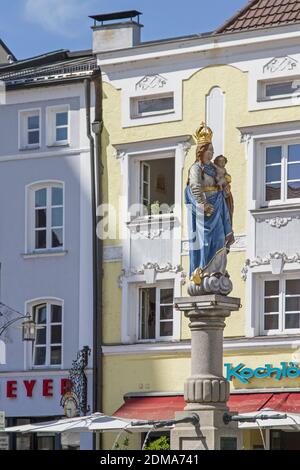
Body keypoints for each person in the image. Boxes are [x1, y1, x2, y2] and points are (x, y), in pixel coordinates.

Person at [185, 123, 234, 281]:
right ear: (201, 151)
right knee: (205, 240)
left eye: (212, 150)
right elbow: (194, 187)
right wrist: (204, 204)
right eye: (209, 150)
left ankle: (218, 269)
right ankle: (204, 270)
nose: (211, 153)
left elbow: (222, 182)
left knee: (219, 238)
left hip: (217, 206)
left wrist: (226, 192)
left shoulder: (214, 168)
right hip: (206, 209)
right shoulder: (196, 169)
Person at [214, 155, 234, 225]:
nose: (222, 163)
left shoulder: (224, 170)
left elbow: (228, 178)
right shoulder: (215, 168)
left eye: (223, 161)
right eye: (220, 161)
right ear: (216, 162)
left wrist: (225, 180)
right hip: (219, 191)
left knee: (228, 208)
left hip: (226, 192)